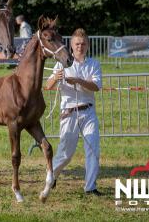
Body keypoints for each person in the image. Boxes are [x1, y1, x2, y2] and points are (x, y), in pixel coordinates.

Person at [46, 28, 102, 196]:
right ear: (71, 45)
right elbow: (48, 86)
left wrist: (78, 80)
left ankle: (90, 187)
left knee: (93, 149)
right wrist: (55, 78)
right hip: (69, 113)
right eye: (77, 44)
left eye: (83, 44)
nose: (80, 46)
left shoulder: (94, 64)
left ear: (88, 45)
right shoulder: (61, 63)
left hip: (88, 112)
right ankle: (52, 176)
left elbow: (96, 86)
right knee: (65, 154)